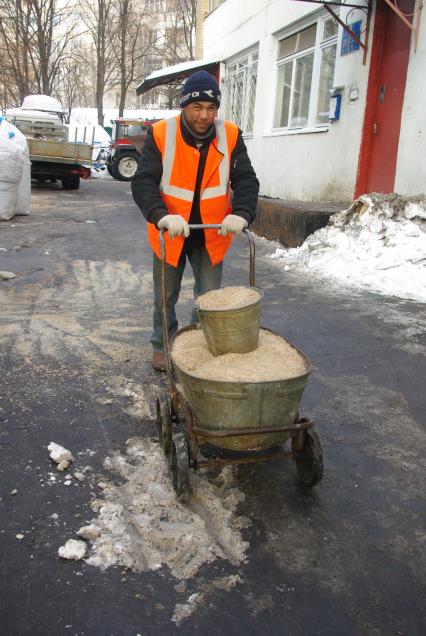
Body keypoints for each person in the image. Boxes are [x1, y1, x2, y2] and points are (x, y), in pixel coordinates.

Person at [131, 70, 259, 371]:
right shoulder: (162, 134)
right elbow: (143, 182)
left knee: (209, 298)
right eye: (197, 107)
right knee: (165, 296)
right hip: (172, 230)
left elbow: (246, 179)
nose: (205, 115)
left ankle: (195, 344)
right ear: (183, 107)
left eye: (211, 108)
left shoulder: (230, 135)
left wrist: (241, 213)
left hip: (212, 232)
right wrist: (161, 217)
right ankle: (163, 345)